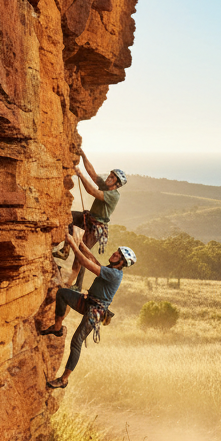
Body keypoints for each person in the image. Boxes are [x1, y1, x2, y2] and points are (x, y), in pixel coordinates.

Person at [40, 235, 136, 389]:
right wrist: (82, 245)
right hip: (88, 302)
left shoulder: (114, 274)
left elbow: (86, 263)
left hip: (95, 311)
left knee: (76, 342)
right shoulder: (112, 269)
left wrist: (72, 244)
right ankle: (57, 328)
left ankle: (64, 379)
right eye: (116, 252)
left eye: (118, 255)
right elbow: (94, 261)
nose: (114, 254)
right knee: (63, 293)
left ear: (122, 263)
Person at [63, 150, 126, 288]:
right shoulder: (106, 186)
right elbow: (92, 173)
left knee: (82, 253)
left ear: (117, 184)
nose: (109, 178)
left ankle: (75, 285)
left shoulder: (114, 195)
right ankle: (65, 250)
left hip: (96, 227)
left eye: (112, 178)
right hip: (89, 217)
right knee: (65, 217)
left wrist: (80, 174)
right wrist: (83, 156)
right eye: (110, 176)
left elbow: (92, 191)